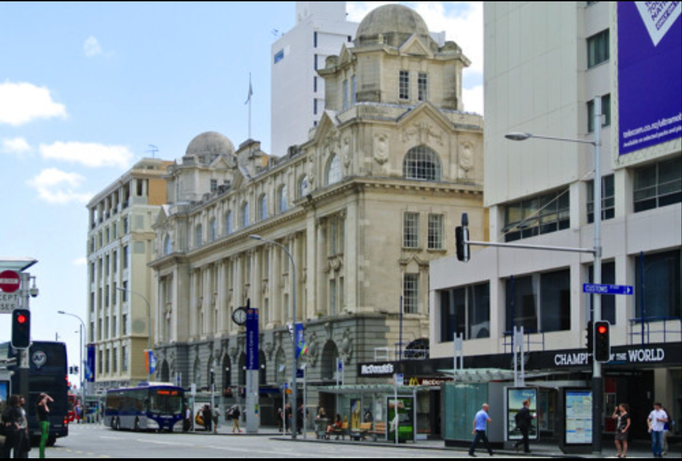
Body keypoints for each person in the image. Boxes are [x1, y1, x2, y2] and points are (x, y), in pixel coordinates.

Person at [36, 393, 54, 459]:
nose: (45, 400)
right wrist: (45, 404)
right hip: (43, 422)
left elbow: (52, 400)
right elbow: (47, 411)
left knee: (46, 438)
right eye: (44, 399)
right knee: (43, 438)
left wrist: (46, 395)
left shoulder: (43, 405)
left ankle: (42, 454)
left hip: (46, 422)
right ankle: (41, 455)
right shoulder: (40, 406)